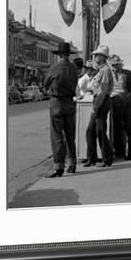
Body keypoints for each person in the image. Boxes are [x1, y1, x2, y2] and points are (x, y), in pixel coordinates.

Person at [42, 41, 79, 177]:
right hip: (69, 102)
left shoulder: (55, 68)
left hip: (57, 102)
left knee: (57, 136)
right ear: (68, 54)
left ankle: (58, 166)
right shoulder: (74, 68)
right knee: (70, 135)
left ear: (59, 55)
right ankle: (72, 163)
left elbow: (45, 84)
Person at [84, 45, 114, 167]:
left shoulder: (105, 71)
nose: (95, 57)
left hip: (101, 102)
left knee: (100, 131)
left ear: (102, 57)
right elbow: (96, 87)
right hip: (99, 100)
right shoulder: (101, 71)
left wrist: (95, 107)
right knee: (90, 131)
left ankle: (107, 158)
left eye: (97, 55)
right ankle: (92, 157)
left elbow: (102, 91)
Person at [109, 54, 131, 160]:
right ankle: (119, 151)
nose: (115, 67)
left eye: (117, 64)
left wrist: (130, 93)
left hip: (125, 102)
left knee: (128, 127)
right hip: (114, 102)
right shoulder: (110, 74)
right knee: (117, 127)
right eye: (114, 65)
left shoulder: (127, 73)